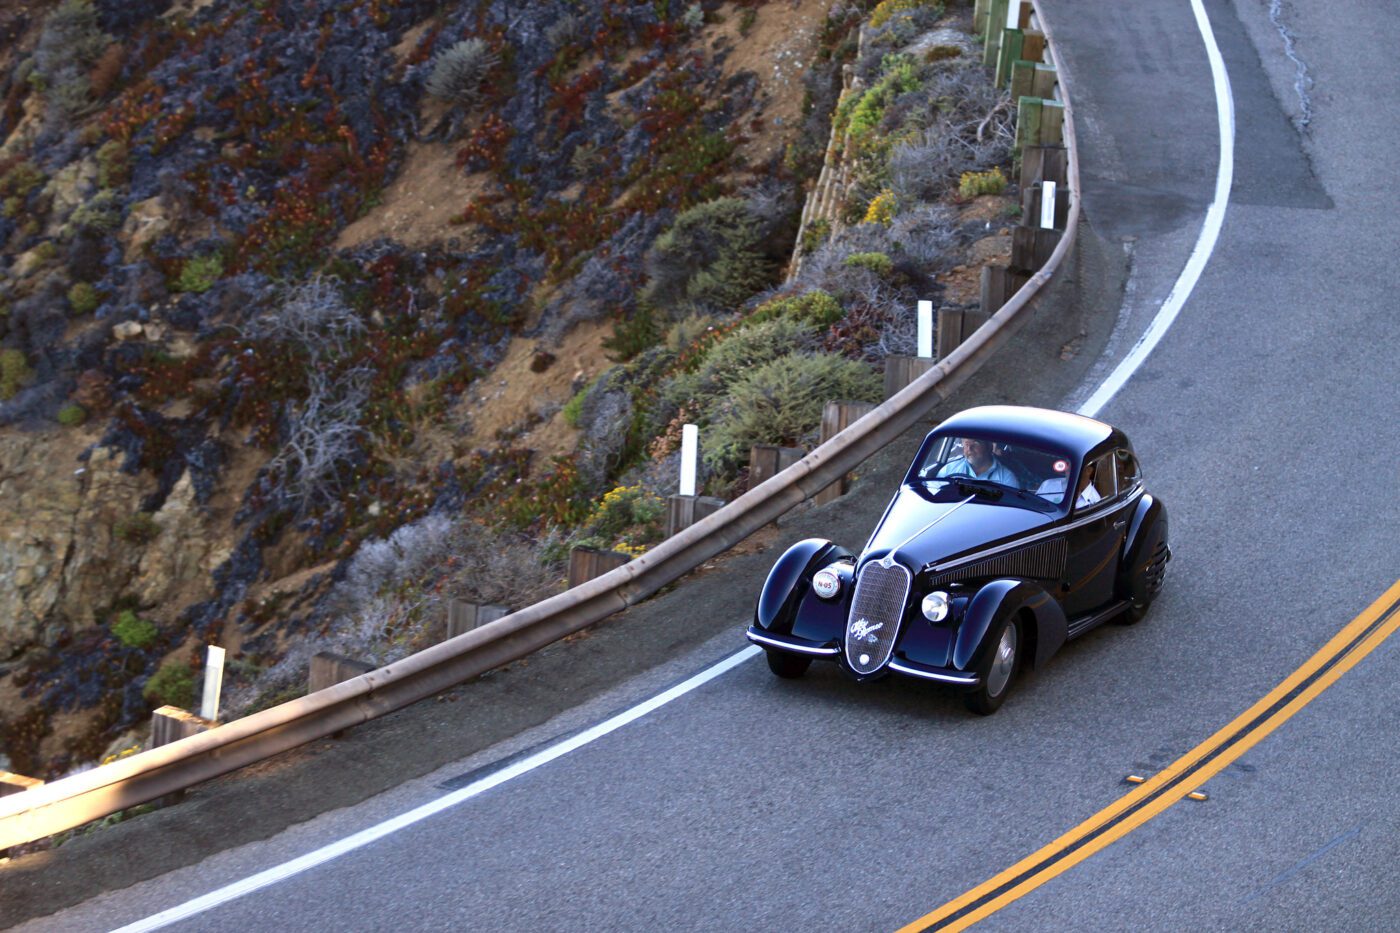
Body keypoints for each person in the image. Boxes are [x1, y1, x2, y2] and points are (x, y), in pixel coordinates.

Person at [936, 437, 1020, 487]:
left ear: (989, 447)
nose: (969, 449)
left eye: (975, 444)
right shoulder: (948, 470)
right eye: (966, 444)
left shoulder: (1006, 478)